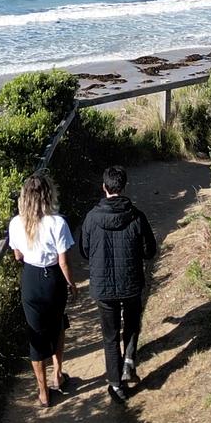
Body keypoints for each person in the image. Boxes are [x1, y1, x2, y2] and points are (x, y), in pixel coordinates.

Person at [78, 165, 157, 404]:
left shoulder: (91, 218)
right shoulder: (136, 216)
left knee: (109, 336)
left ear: (104, 188)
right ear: (123, 187)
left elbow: (84, 251)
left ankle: (116, 384)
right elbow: (149, 251)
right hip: (131, 282)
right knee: (132, 323)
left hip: (103, 287)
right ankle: (129, 361)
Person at [8, 173, 77, 407]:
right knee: (57, 324)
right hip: (53, 280)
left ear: (24, 197)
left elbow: (18, 255)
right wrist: (72, 284)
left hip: (30, 278)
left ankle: (43, 391)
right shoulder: (57, 223)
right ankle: (58, 374)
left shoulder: (16, 223)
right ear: (49, 195)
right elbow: (63, 262)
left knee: (36, 335)